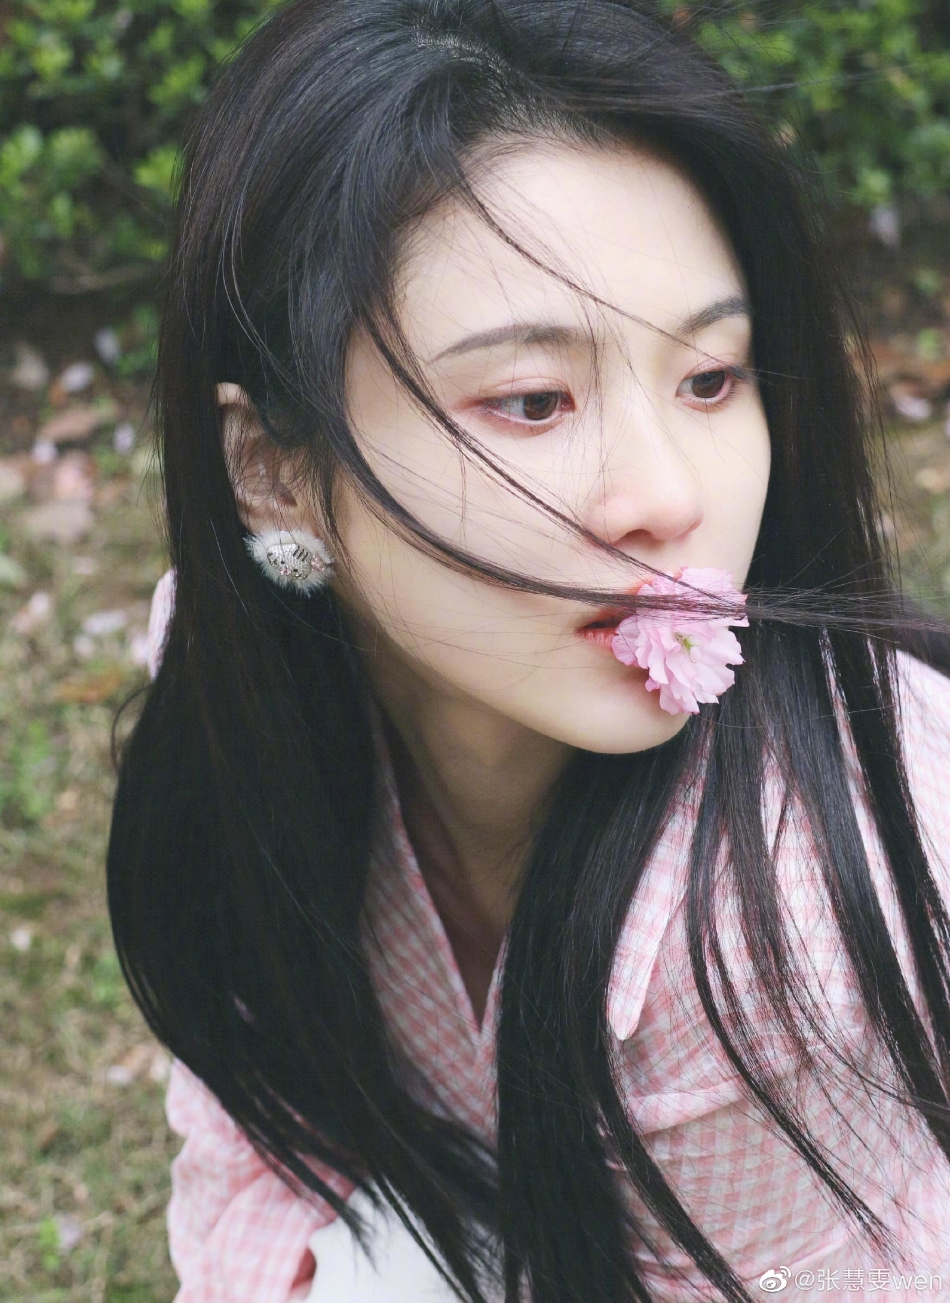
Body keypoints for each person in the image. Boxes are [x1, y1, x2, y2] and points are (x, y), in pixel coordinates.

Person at [107, 0, 950, 1298]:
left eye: (711, 380)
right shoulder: (237, 690)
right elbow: (260, 1135)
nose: (668, 497)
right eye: (534, 401)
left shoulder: (784, 932)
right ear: (276, 476)